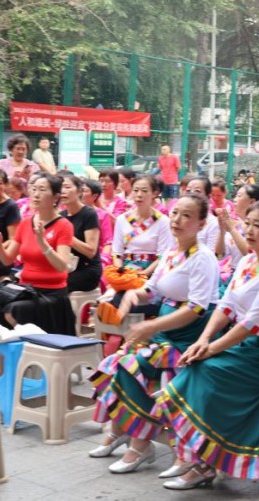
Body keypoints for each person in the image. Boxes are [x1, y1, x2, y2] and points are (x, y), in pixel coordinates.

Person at [162, 201, 259, 489]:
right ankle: (204, 458)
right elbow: (227, 306)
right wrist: (203, 339)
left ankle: (206, 462)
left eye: (258, 225)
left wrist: (211, 348)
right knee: (198, 364)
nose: (250, 230)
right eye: (248, 223)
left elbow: (253, 323)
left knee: (206, 370)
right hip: (249, 346)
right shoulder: (247, 261)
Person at [89, 194, 219, 476]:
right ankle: (122, 430)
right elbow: (154, 289)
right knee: (113, 363)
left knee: (130, 366)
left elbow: (196, 309)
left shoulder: (203, 258)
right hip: (165, 330)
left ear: (201, 223)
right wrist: (131, 294)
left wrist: (151, 327)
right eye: (175, 214)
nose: (177, 220)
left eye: (186, 216)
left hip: (186, 336)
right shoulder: (173, 253)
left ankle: (140, 443)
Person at [0, 174, 76, 334]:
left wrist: (43, 243)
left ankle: (25, 351)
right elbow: (7, 260)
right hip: (26, 290)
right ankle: (10, 356)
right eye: (34, 189)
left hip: (51, 293)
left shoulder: (64, 226)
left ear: (56, 197)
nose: (36, 194)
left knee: (12, 311)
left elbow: (62, 266)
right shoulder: (25, 222)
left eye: (42, 190)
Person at [111, 175, 172, 277]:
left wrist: (143, 274)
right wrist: (121, 272)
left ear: (154, 193)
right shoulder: (122, 220)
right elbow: (117, 253)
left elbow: (163, 256)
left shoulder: (163, 221)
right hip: (126, 270)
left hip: (152, 272)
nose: (139, 195)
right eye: (135, 190)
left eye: (144, 191)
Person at [60, 175, 102, 293]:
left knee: (54, 285)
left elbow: (91, 251)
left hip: (87, 270)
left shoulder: (89, 214)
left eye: (67, 187)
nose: (63, 191)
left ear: (80, 191)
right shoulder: (61, 215)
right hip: (67, 267)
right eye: (60, 188)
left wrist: (66, 235)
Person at [81, 179, 114, 273]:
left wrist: (103, 260)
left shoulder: (102, 215)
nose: (81, 193)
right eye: (80, 190)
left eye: (84, 190)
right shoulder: (68, 213)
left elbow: (107, 242)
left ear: (95, 196)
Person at [181, 177, 220, 250]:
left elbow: (211, 254)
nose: (191, 194)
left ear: (207, 197)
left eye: (197, 191)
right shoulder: (178, 219)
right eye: (188, 191)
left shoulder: (213, 224)